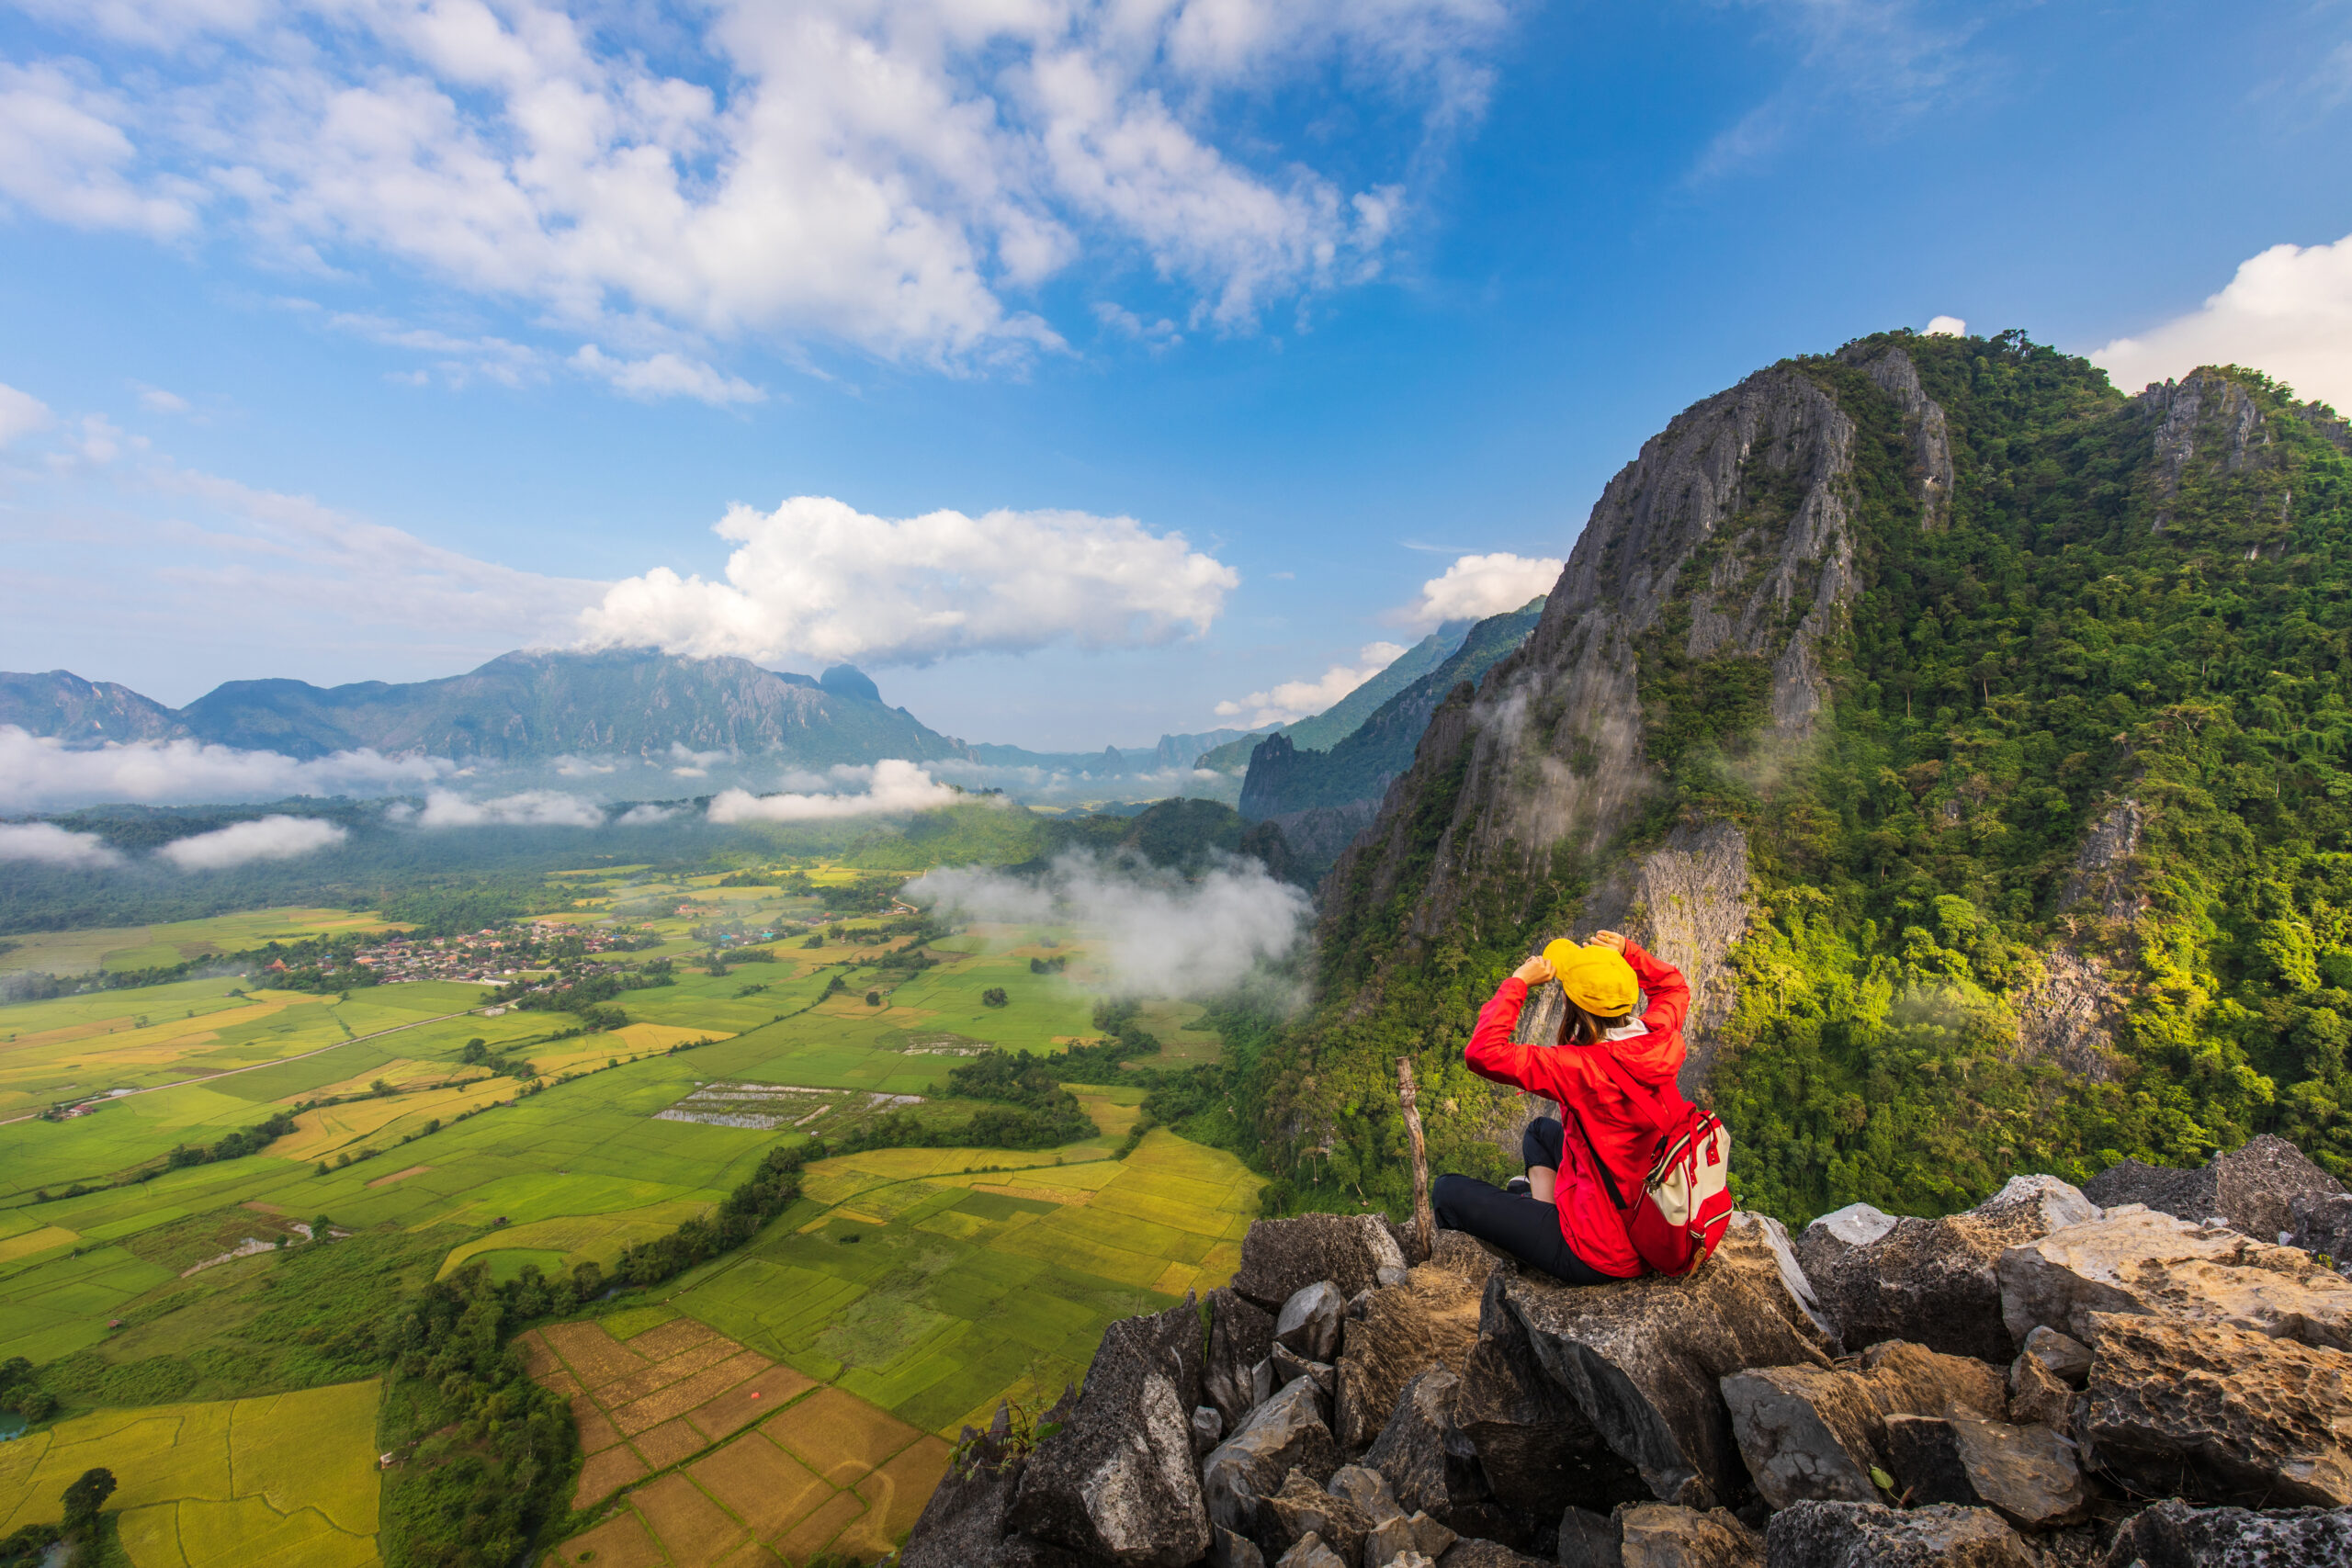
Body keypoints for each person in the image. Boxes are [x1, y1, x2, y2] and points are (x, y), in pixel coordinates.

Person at [1431, 930, 1690, 1283]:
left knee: (1446, 1191)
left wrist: (1518, 981)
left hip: (1600, 1252)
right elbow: (1674, 987)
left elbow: (1483, 1052)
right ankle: (1541, 1213)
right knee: (1539, 1132)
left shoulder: (1581, 1068)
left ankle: (1542, 1230)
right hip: (1647, 1207)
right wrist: (1629, 951)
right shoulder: (1660, 1033)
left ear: (1576, 1008)